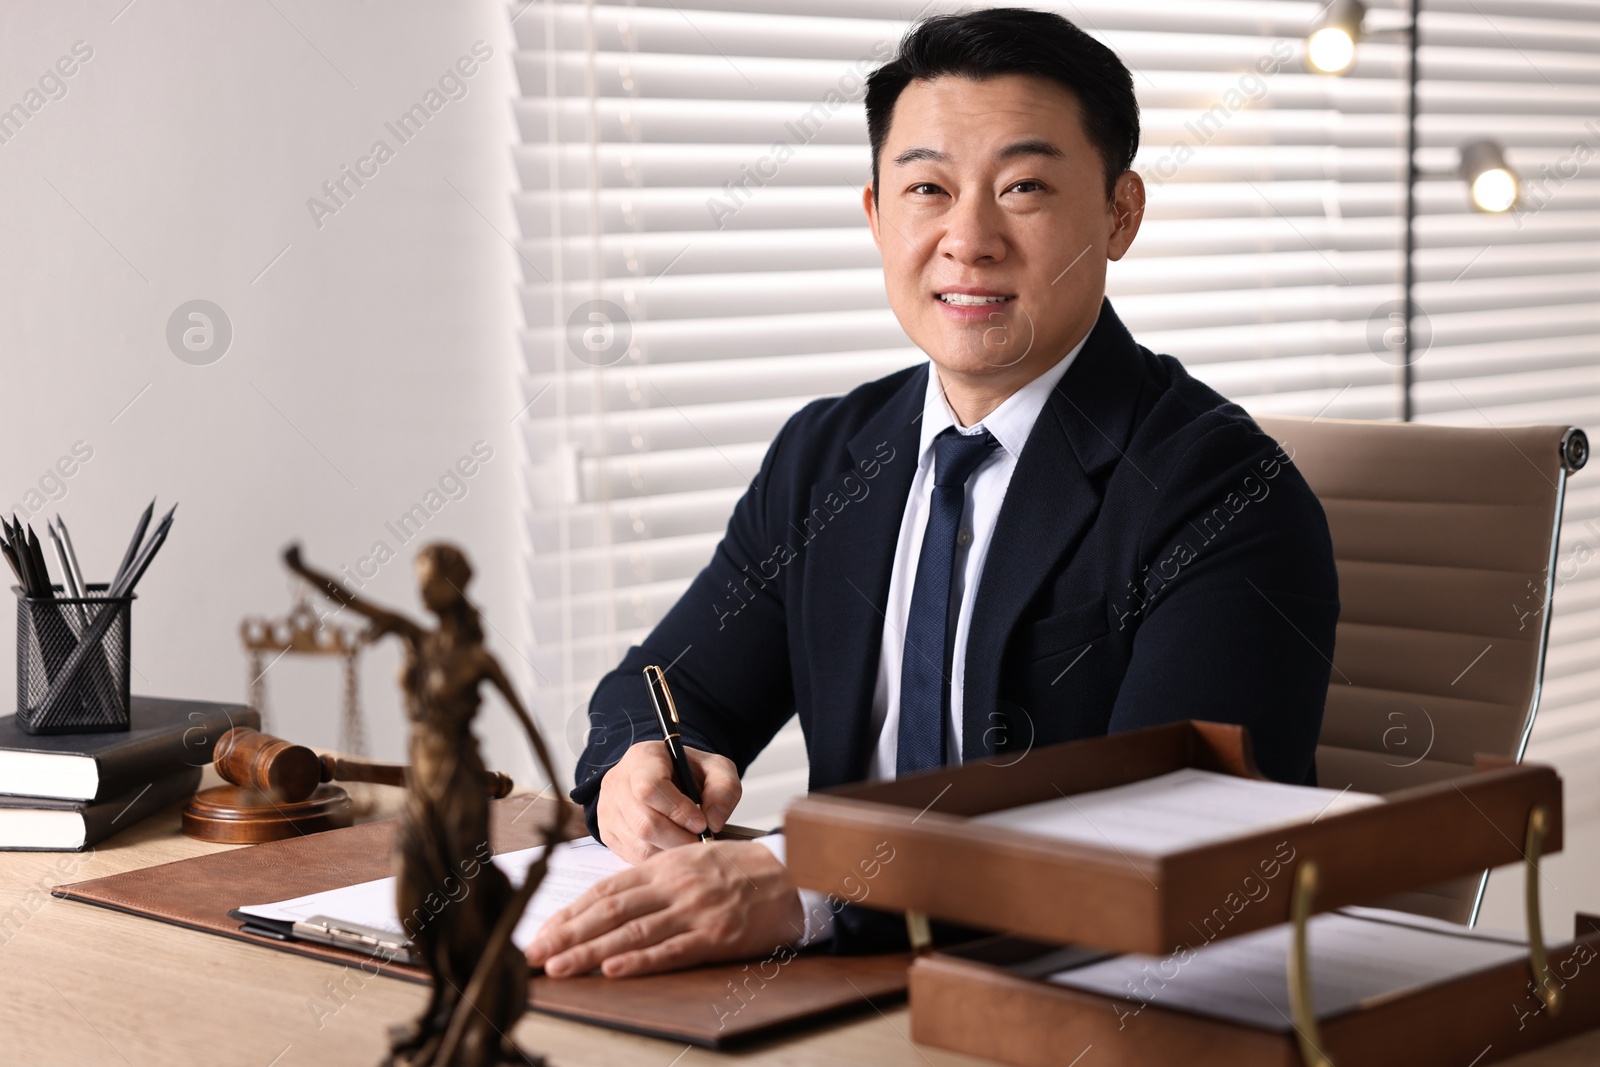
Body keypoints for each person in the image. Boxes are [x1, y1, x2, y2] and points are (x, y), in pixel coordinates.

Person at [525, 8, 1338, 980]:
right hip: (843, 985)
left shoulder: (1223, 490)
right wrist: (637, 767)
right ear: (876, 215)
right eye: (927, 189)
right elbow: (669, 685)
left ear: (1120, 213)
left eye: (1023, 187)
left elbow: (1172, 831)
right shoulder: (827, 453)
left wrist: (811, 887)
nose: (968, 238)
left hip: (1083, 997)